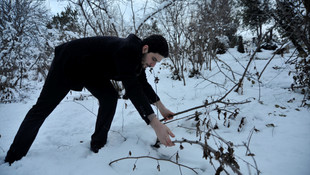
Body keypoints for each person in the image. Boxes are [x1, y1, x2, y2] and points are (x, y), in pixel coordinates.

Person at [5, 34, 175, 165]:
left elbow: (142, 84)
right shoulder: (128, 51)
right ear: (145, 48)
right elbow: (133, 89)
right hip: (69, 63)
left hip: (91, 70)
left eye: (157, 62)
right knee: (42, 109)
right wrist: (155, 124)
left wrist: (161, 108)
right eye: (154, 59)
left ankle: (98, 145)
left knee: (109, 97)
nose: (153, 65)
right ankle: (14, 157)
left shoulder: (138, 58)